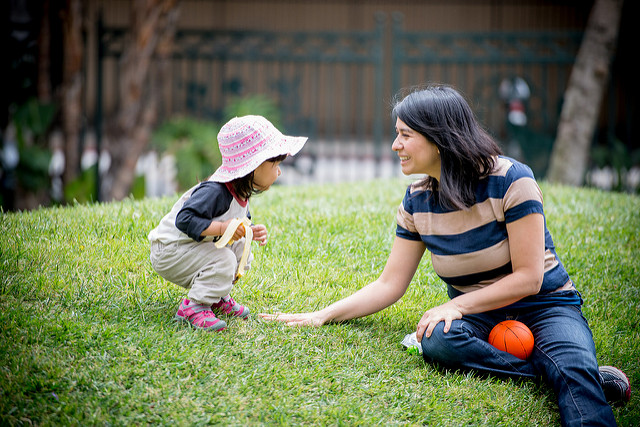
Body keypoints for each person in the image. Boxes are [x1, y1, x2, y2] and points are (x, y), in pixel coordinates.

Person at [260, 85, 631, 425]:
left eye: (405, 135)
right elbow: (390, 283)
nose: (395, 145)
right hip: (479, 315)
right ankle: (567, 373)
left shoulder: (512, 180)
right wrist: (321, 316)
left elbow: (529, 277)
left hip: (546, 304)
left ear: (439, 139)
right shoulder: (417, 199)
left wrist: (455, 306)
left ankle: (575, 373)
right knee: (438, 339)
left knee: (573, 368)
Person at [149, 115, 307, 332]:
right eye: (275, 164)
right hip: (170, 249)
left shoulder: (240, 192)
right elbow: (184, 220)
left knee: (242, 248)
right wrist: (224, 229)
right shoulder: (215, 191)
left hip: (191, 247)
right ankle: (194, 307)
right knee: (223, 259)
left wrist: (250, 231)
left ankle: (216, 295)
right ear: (254, 165)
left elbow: (235, 224)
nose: (278, 172)